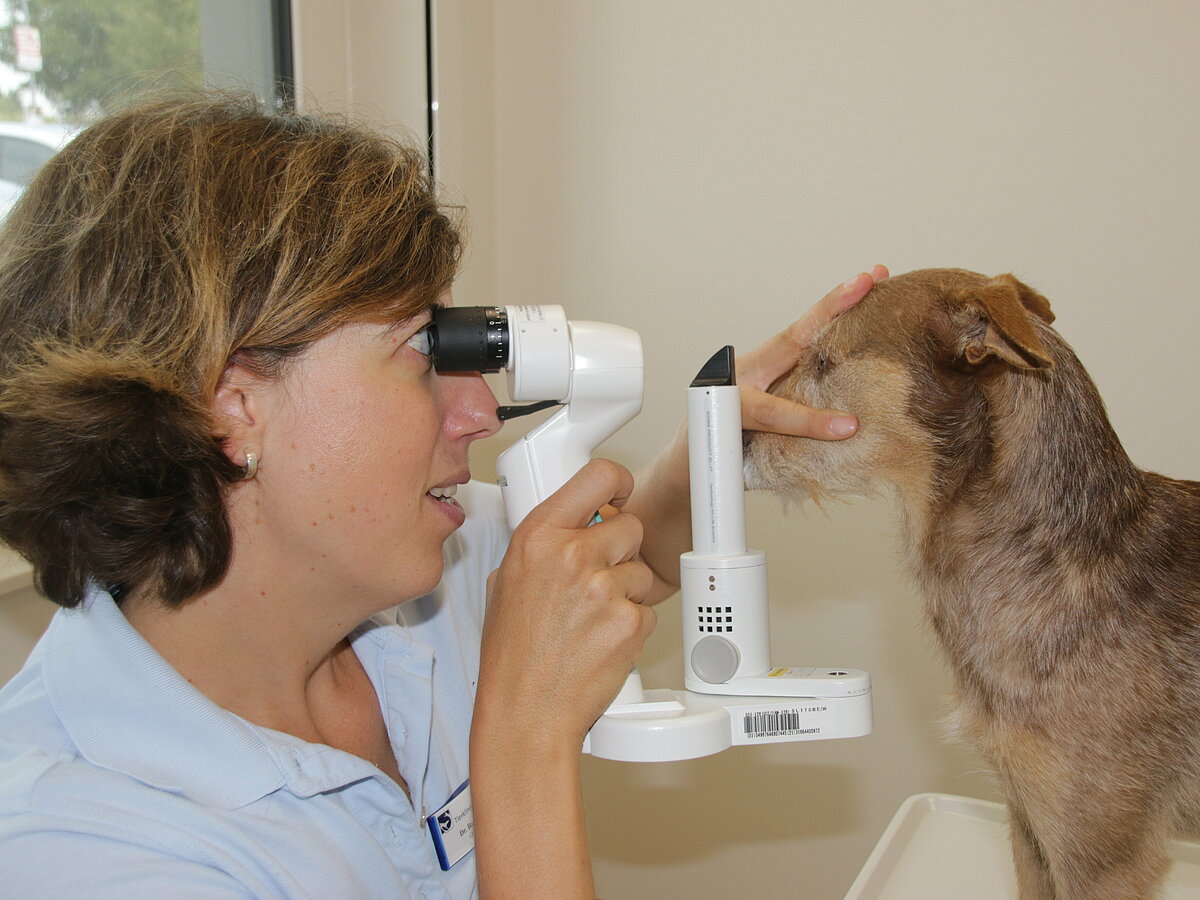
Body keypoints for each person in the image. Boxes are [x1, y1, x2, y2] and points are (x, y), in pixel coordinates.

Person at [0, 92, 885, 898]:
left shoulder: (416, 574)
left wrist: (712, 452)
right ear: (235, 403)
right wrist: (521, 739)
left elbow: (630, 560)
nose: (479, 410)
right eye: (425, 354)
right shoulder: (79, 844)